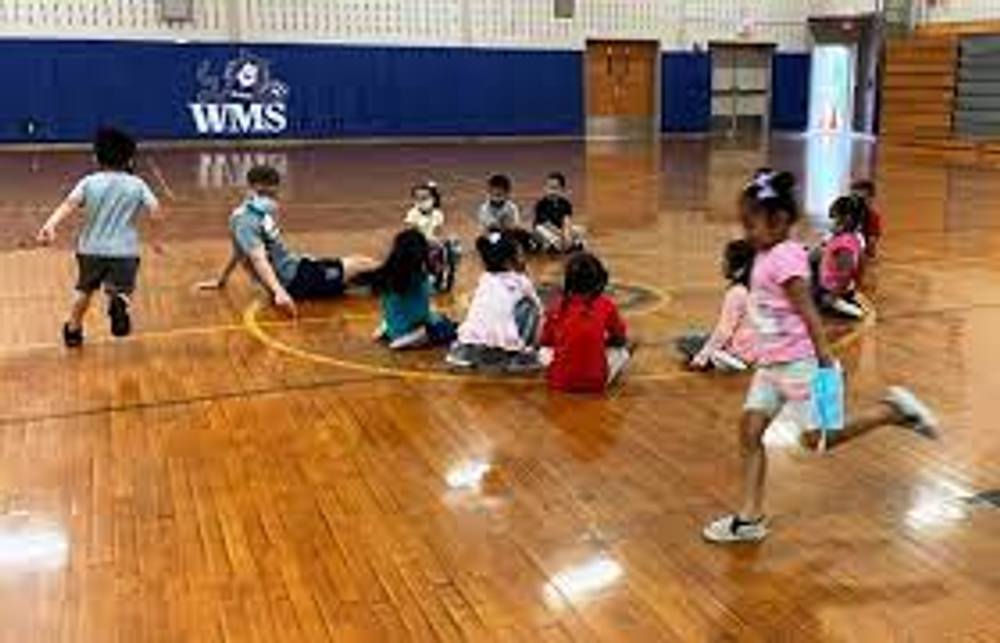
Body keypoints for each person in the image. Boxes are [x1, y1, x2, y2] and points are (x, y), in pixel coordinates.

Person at [702, 171, 939, 545]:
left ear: (779, 221)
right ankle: (749, 519)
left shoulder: (786, 258)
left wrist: (826, 360)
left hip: (803, 363)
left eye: (753, 223)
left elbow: (808, 310)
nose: (746, 231)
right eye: (744, 223)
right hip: (771, 366)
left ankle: (893, 411)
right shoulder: (765, 253)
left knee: (818, 438)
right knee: (749, 431)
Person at [36, 127, 164, 347]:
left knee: (84, 290)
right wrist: (155, 239)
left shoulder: (89, 182)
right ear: (130, 160)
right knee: (123, 288)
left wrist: (50, 225)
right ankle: (119, 301)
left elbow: (69, 205)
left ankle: (73, 329)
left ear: (96, 157)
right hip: (124, 251)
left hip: (90, 249)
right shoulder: (137, 184)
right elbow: (155, 210)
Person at [197, 165, 376, 316]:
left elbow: (238, 251)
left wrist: (221, 279)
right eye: (268, 192)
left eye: (274, 192)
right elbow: (258, 259)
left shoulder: (242, 214)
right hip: (296, 280)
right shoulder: (248, 220)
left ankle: (385, 282)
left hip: (299, 268)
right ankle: (402, 279)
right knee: (361, 263)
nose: (273, 197)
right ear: (256, 188)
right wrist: (280, 292)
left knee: (359, 278)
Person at [446, 231, 542, 372]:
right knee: (530, 307)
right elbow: (539, 310)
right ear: (509, 261)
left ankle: (469, 354)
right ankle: (521, 354)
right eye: (520, 254)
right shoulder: (521, 281)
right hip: (504, 345)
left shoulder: (485, 278)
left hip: (472, 343)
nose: (523, 258)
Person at [539, 252, 631, 393]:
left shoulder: (557, 306)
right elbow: (620, 339)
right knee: (623, 352)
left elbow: (545, 342)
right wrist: (603, 342)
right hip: (596, 383)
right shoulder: (606, 304)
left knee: (543, 351)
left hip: (559, 382)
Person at [675, 239, 758, 372]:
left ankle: (721, 360)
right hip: (755, 352)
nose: (722, 263)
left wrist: (700, 359)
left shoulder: (736, 293)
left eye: (726, 260)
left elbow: (724, 330)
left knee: (684, 341)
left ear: (739, 268)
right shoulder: (757, 288)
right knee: (701, 337)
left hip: (737, 354)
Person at [368, 229, 456, 350]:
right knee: (448, 326)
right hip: (412, 330)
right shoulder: (418, 277)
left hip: (394, 325)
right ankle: (406, 338)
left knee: (426, 314)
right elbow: (438, 292)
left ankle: (388, 329)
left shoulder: (387, 273)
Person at [813, 195, 867, 320]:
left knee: (814, 298)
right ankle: (838, 301)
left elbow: (845, 274)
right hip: (829, 284)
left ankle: (839, 303)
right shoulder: (841, 237)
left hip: (833, 290)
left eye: (835, 219)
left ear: (846, 220)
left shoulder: (845, 244)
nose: (831, 223)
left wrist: (833, 296)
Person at [404, 181, 460, 293]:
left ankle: (444, 279)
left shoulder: (438, 214)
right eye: (418, 198)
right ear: (414, 200)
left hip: (433, 244)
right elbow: (412, 234)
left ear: (432, 198)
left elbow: (438, 232)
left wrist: (439, 241)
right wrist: (427, 241)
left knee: (453, 246)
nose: (422, 200)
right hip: (417, 244)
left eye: (425, 197)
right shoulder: (412, 214)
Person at [475, 174, 535, 252]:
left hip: (508, 234)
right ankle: (503, 252)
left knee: (523, 234)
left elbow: (515, 226)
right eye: (492, 195)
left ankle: (528, 247)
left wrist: (509, 227)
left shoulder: (512, 207)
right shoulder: (483, 208)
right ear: (488, 193)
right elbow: (483, 230)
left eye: (499, 195)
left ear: (507, 194)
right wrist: (490, 234)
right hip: (493, 235)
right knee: (480, 242)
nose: (495, 198)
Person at [533, 172, 584, 254]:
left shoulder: (566, 204)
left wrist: (567, 235)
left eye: (555, 188)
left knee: (580, 229)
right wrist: (561, 235)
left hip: (560, 229)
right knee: (540, 229)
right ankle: (554, 247)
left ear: (562, 190)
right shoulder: (541, 204)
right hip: (546, 230)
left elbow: (567, 221)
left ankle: (573, 246)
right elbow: (547, 224)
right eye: (548, 187)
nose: (551, 191)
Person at [851, 179, 882, 259]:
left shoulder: (873, 217)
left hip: (862, 252)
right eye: (854, 198)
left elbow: (872, 240)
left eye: (862, 199)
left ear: (871, 199)